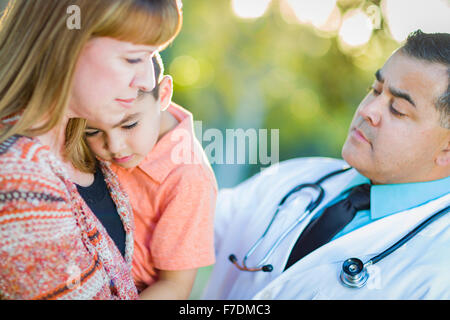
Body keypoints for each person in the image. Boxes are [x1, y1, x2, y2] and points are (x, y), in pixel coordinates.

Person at [203, 30, 450, 300]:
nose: (368, 110)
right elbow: (182, 223)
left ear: (446, 149)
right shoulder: (297, 176)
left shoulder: (440, 273)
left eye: (398, 109)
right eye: (375, 90)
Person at [0, 0, 182, 299]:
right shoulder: (19, 179)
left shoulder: (82, 137)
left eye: (153, 56)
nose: (148, 80)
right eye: (134, 58)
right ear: (67, 44)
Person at [81, 53, 217, 299]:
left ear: (163, 94)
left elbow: (174, 286)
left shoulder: (189, 179)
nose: (114, 146)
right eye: (93, 131)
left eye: (129, 125)